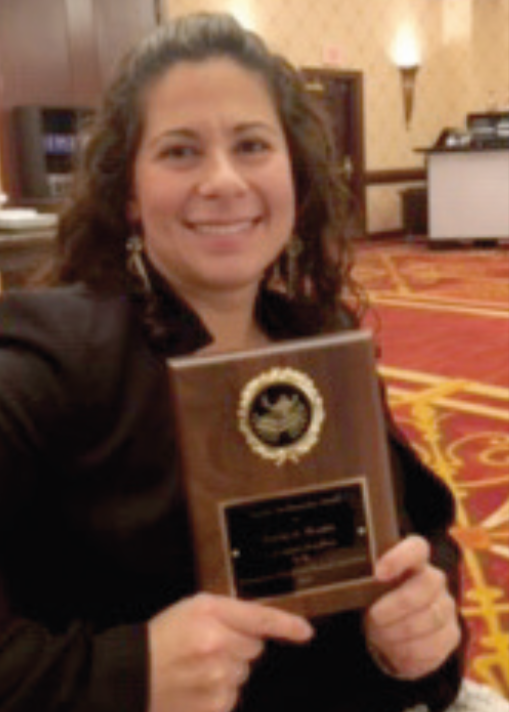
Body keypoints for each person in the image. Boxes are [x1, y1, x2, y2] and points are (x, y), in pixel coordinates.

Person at [0, 12, 466, 712]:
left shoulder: (320, 339)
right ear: (129, 193)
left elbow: (416, 539)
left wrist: (417, 632)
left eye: (251, 145)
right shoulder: (45, 361)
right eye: (180, 152)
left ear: (294, 174)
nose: (222, 180)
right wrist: (124, 677)